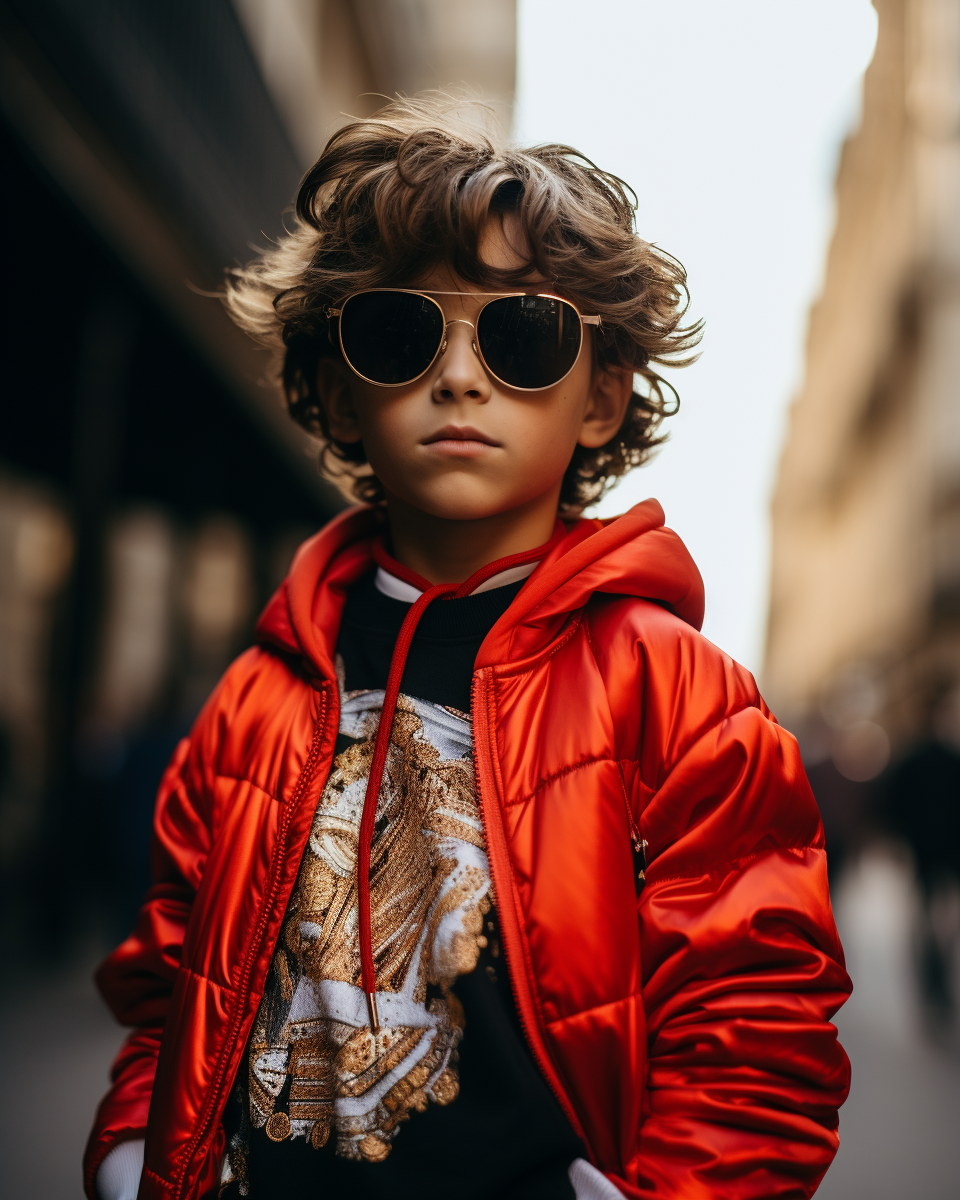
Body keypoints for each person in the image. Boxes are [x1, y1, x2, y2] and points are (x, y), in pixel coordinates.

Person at [85, 96, 851, 1200]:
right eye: (401, 334)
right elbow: (169, 983)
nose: (458, 376)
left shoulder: (678, 694)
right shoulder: (256, 695)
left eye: (521, 333)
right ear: (342, 396)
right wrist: (128, 1157)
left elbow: (757, 1023)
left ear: (600, 398)